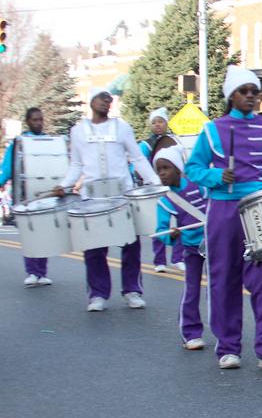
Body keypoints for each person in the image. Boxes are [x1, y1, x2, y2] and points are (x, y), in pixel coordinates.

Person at [185, 66, 262, 370]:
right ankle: (228, 348)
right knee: (223, 278)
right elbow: (193, 169)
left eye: (255, 92)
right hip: (223, 210)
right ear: (231, 96)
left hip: (260, 209)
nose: (251, 97)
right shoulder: (213, 130)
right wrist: (215, 175)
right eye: (245, 91)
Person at [54, 89, 160, 312]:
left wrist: (154, 181)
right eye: (102, 98)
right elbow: (76, 165)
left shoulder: (122, 127)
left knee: (130, 244)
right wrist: (64, 186)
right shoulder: (78, 131)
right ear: (91, 100)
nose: (106, 102)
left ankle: (132, 290)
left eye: (109, 99)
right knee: (93, 248)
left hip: (121, 194)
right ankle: (98, 294)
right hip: (92, 196)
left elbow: (137, 157)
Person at [153, 146, 208, 351]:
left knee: (218, 289)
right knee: (192, 289)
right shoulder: (165, 200)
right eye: (159, 170)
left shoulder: (199, 186)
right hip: (191, 248)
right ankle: (191, 333)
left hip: (212, 243)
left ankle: (224, 333)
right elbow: (161, 229)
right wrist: (171, 234)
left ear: (178, 169)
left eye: (167, 167)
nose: (163, 173)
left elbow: (214, 204)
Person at [0, 107, 55, 286]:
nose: (38, 123)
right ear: (28, 121)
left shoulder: (49, 141)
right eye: (35, 120)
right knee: (30, 234)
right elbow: (8, 168)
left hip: (45, 195)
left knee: (44, 235)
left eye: (41, 120)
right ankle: (32, 272)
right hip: (25, 195)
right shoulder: (18, 143)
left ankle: (42, 272)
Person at [141, 107, 184, 273]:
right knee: (159, 224)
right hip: (154, 188)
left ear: (166, 123)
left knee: (181, 223)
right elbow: (137, 164)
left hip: (174, 187)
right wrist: (151, 179)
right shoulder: (145, 145)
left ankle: (177, 258)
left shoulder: (175, 141)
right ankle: (159, 260)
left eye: (160, 121)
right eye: (154, 122)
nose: (157, 125)